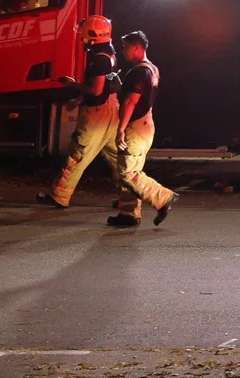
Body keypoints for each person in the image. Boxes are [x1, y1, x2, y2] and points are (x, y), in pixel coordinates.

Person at [37, 16, 121, 208]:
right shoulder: (108, 52)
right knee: (120, 161)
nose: (81, 35)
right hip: (110, 111)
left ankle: (59, 196)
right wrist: (78, 100)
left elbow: (97, 90)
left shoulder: (99, 58)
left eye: (84, 31)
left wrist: (73, 85)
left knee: (77, 155)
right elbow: (104, 89)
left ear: (93, 34)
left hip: (97, 115)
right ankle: (131, 198)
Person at [109, 30, 179, 228]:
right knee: (129, 169)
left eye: (126, 47)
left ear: (137, 47)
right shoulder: (152, 69)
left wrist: (121, 129)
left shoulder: (139, 72)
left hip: (136, 126)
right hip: (146, 124)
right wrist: (120, 85)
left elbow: (131, 101)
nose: (123, 51)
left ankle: (164, 198)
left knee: (127, 173)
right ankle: (128, 214)